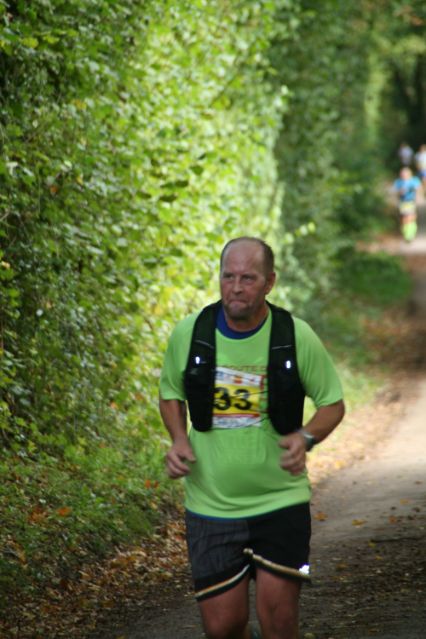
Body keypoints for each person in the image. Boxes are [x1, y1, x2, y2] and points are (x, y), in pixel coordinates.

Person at [159, 237, 345, 639]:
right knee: (223, 628)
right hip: (210, 505)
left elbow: (332, 404)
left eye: (248, 278)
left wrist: (305, 437)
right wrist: (177, 439)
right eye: (228, 277)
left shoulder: (295, 335)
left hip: (281, 501)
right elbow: (171, 392)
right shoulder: (191, 333)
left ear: (269, 282)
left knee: (279, 622)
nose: (236, 287)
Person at [392, 167, 422, 242]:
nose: (404, 175)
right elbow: (394, 191)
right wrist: (400, 191)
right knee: (404, 218)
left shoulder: (414, 180)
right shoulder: (398, 182)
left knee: (411, 217)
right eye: (402, 174)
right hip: (403, 202)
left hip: (411, 201)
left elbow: (418, 189)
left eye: (405, 174)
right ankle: (406, 233)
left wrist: (417, 196)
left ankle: (411, 233)